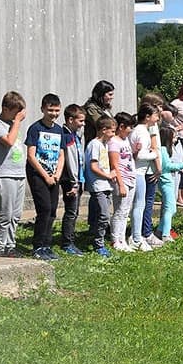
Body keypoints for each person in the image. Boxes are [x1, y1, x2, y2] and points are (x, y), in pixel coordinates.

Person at [24, 93, 66, 260]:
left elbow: (62, 155)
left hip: (54, 176)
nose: (53, 113)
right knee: (44, 209)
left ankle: (47, 245)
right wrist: (45, 176)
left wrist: (56, 174)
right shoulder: (35, 128)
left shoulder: (59, 130)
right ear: (42, 109)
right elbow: (31, 155)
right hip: (38, 175)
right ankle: (38, 246)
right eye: (50, 110)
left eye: (56, 110)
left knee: (53, 210)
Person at [0, 90, 29, 258]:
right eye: (15, 112)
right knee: (6, 213)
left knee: (16, 214)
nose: (18, 115)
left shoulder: (13, 124)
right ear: (5, 108)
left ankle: (10, 246)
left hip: (18, 173)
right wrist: (17, 122)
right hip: (4, 174)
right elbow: (8, 142)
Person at [128, 103, 162, 251]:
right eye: (156, 115)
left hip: (139, 172)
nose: (157, 118)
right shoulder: (141, 132)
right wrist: (154, 153)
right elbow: (140, 155)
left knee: (139, 205)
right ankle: (136, 237)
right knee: (139, 206)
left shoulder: (141, 130)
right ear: (147, 117)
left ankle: (137, 235)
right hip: (138, 172)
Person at [85, 116, 118, 257]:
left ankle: (96, 237)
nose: (113, 135)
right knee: (104, 215)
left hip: (105, 186)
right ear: (104, 130)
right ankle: (99, 243)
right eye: (112, 131)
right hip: (98, 185)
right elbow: (93, 166)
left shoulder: (104, 144)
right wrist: (108, 176)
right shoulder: (95, 144)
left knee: (101, 215)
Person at [57, 103, 87, 256]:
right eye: (80, 121)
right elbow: (71, 161)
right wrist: (74, 183)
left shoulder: (75, 135)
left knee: (74, 212)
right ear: (70, 120)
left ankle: (70, 240)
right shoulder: (67, 136)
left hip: (78, 179)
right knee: (71, 211)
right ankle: (67, 243)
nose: (83, 124)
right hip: (70, 180)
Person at [154, 120, 183, 242]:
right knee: (170, 208)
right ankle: (165, 234)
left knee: (171, 208)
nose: (176, 139)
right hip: (166, 182)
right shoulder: (163, 150)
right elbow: (167, 166)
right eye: (173, 137)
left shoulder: (166, 149)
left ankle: (160, 230)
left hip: (169, 181)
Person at [108, 113, 135, 251]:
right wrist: (121, 184)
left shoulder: (126, 140)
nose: (131, 130)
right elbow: (115, 165)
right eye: (129, 127)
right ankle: (115, 240)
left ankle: (122, 239)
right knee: (119, 211)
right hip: (121, 180)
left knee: (125, 212)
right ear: (122, 126)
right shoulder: (114, 142)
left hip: (130, 179)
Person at [81, 80, 115, 144]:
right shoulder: (91, 108)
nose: (112, 97)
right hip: (96, 144)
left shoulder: (105, 108)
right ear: (101, 94)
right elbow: (103, 124)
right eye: (110, 95)